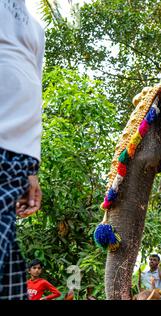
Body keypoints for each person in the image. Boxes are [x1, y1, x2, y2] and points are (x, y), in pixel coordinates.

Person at [0, 0, 45, 300]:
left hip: (18, 160)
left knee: (10, 283)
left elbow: (33, 87)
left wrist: (32, 173)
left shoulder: (36, 29)